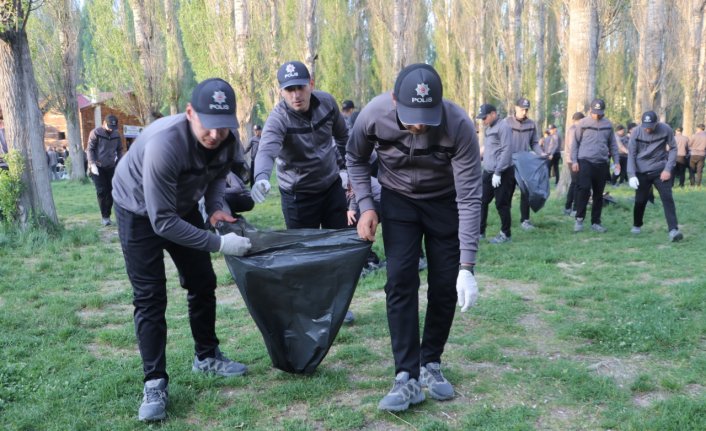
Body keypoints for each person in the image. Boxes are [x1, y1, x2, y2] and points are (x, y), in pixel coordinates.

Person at [111, 78, 253, 422]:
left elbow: (219, 173)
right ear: (190, 113)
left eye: (224, 126)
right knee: (150, 296)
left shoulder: (227, 139)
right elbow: (163, 223)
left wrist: (216, 205)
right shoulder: (166, 145)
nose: (216, 135)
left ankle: (206, 356)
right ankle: (155, 381)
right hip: (139, 210)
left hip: (181, 202)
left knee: (202, 280)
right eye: (209, 125)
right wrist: (220, 243)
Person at [346, 63, 481, 412]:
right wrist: (365, 205)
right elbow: (355, 158)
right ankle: (405, 375)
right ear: (394, 100)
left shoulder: (459, 125)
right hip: (398, 201)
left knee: (443, 283)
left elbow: (468, 196)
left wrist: (467, 265)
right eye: (411, 116)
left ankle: (430, 362)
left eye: (427, 116)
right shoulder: (373, 115)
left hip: (444, 202)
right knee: (400, 279)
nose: (419, 125)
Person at [251, 60, 354, 322]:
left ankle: (337, 305)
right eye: (288, 90)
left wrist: (348, 170)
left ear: (311, 84)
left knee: (336, 248)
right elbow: (266, 151)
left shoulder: (328, 103)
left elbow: (344, 138)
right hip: (298, 195)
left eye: (299, 87)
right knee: (303, 255)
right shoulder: (278, 119)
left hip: (331, 186)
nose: (295, 95)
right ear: (281, 92)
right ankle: (311, 309)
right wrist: (262, 177)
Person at [627, 111, 683, 242]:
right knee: (640, 201)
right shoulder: (636, 132)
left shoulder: (666, 129)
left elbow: (673, 148)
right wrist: (631, 175)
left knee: (667, 198)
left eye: (650, 126)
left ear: (656, 123)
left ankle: (673, 230)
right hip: (641, 171)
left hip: (660, 170)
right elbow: (631, 154)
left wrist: (668, 169)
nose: (648, 128)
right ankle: (637, 224)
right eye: (645, 125)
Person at [571, 98, 620, 233]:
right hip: (585, 161)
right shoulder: (583, 123)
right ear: (590, 110)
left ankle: (596, 222)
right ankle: (579, 219)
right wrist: (574, 160)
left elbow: (613, 145)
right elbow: (575, 143)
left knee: (599, 194)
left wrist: (616, 162)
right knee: (584, 189)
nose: (597, 115)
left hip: (602, 162)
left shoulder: (608, 125)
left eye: (599, 112)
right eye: (594, 112)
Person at [502, 97, 546, 230]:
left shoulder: (531, 124)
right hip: (509, 162)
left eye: (526, 109)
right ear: (515, 108)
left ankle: (525, 220)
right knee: (507, 192)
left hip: (524, 163)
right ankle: (505, 220)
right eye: (522, 109)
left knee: (526, 191)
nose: (524, 112)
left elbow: (534, 143)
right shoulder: (506, 122)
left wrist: (541, 153)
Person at [476, 103, 512, 244]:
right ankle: (480, 232)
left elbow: (506, 150)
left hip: (502, 172)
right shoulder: (489, 128)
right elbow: (490, 147)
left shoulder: (503, 127)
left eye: (484, 117)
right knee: (481, 201)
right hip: (488, 172)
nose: (483, 121)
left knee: (501, 204)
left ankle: (505, 234)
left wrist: (498, 172)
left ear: (493, 114)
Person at [87, 114, 124, 226]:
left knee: (112, 192)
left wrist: (121, 163)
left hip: (111, 167)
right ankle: (105, 217)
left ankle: (108, 213)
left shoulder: (116, 134)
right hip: (97, 167)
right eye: (109, 126)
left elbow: (120, 150)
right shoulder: (96, 133)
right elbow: (90, 149)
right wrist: (92, 164)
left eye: (114, 127)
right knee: (102, 191)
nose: (111, 129)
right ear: (104, 123)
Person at [563, 112, 584, 216]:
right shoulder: (574, 130)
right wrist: (575, 159)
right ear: (580, 120)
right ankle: (574, 208)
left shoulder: (572, 129)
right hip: (573, 160)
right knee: (577, 184)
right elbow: (573, 146)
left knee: (574, 183)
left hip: (572, 159)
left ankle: (568, 207)